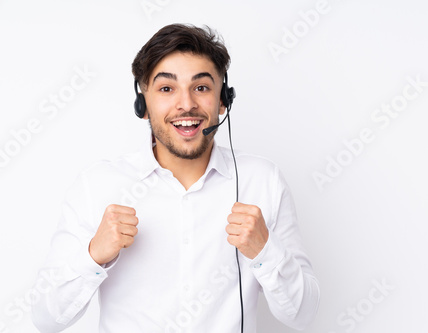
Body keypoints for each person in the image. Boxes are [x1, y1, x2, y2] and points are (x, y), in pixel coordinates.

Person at [31, 23, 320, 333]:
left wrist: (266, 252)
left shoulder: (263, 181)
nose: (186, 104)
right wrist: (93, 255)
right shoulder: (97, 185)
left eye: (202, 87)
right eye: (167, 89)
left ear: (223, 99)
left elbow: (303, 315)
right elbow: (46, 319)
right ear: (143, 104)